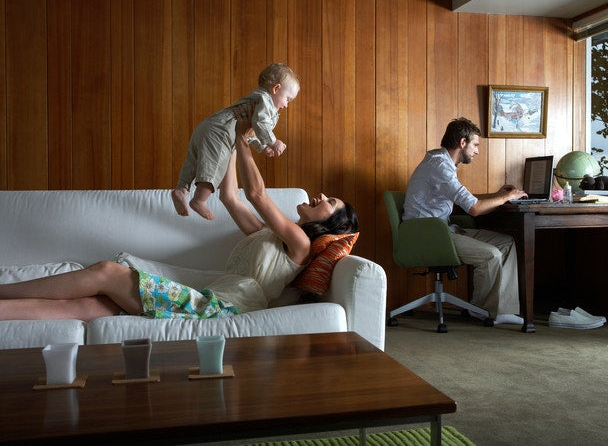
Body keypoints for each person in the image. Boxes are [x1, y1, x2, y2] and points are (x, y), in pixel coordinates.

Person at [0, 123, 358, 322]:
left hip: (219, 309)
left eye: (329, 203)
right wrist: (231, 144)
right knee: (90, 307)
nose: (320, 196)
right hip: (208, 300)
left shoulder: (300, 244)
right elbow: (232, 197)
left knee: (108, 272)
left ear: (330, 224)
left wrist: (243, 138)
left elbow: (257, 195)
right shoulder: (266, 237)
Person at [403, 117, 527, 326]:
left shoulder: (440, 161)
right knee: (491, 254)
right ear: (462, 143)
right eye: (475, 144)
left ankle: (502, 309)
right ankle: (482, 310)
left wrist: (497, 195)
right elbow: (475, 209)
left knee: (506, 244)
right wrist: (506, 198)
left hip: (441, 229)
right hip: (428, 235)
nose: (477, 151)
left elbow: (468, 199)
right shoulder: (440, 166)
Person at [172, 62, 300, 220]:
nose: (287, 105)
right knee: (215, 164)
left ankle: (181, 189)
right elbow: (260, 123)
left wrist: (262, 146)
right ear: (276, 89)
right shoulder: (266, 102)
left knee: (193, 160)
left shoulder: (256, 100)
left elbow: (249, 131)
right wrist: (273, 142)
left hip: (208, 126)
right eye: (288, 99)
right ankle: (199, 200)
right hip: (220, 133)